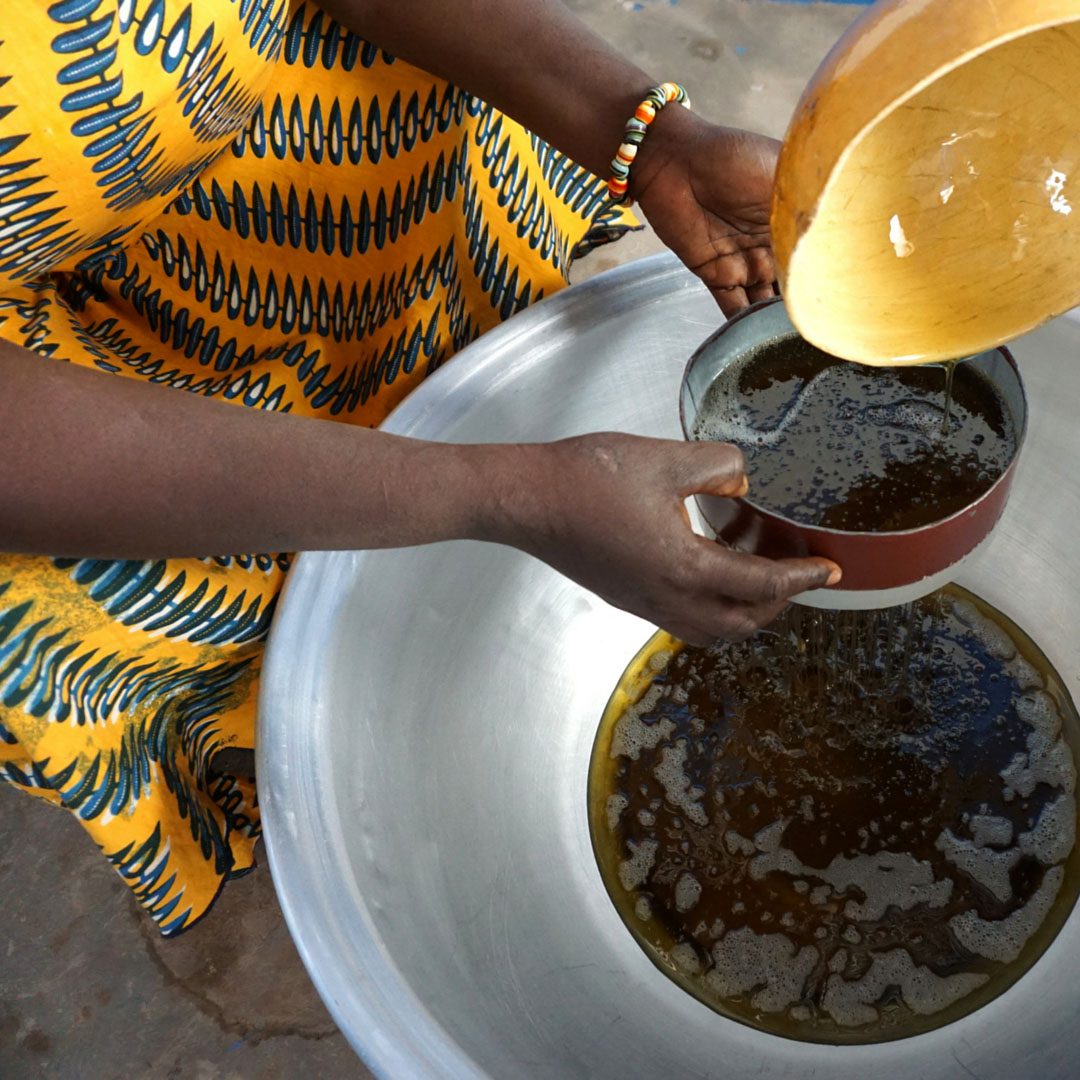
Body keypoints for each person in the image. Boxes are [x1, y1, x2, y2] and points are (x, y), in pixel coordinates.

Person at [0, 0, 840, 934]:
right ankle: (284, 720)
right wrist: (505, 490)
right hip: (61, 400)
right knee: (178, 604)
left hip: (301, 121)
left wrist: (653, 141)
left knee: (465, 355)